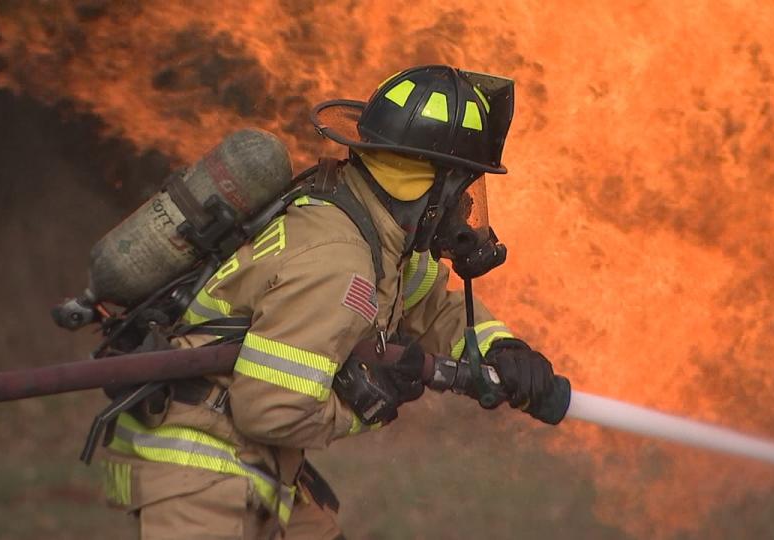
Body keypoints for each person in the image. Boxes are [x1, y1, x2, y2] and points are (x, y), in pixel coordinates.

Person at [100, 65, 563, 539]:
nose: (466, 210)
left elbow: (431, 306)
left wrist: (501, 349)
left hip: (246, 457)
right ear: (432, 184)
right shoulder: (341, 262)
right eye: (464, 189)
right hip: (201, 472)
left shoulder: (371, 224)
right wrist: (366, 403)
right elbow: (270, 410)